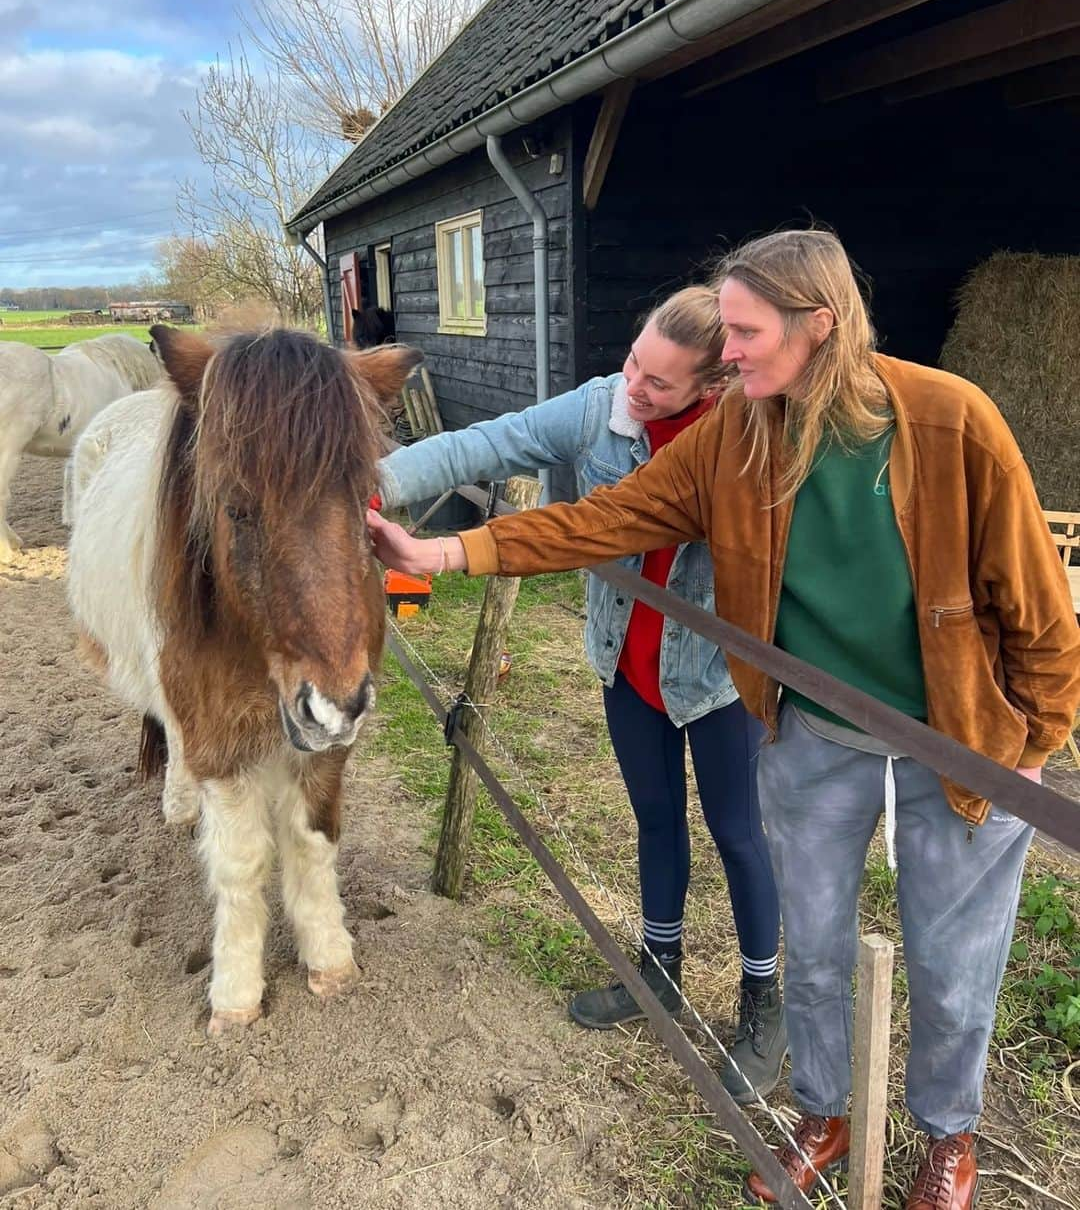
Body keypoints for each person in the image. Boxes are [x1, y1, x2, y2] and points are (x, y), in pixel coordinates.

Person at [369, 231, 1080, 1210]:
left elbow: (1040, 611)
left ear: (818, 326)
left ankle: (948, 1141)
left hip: (961, 737)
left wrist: (1033, 745)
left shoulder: (951, 421)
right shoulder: (738, 431)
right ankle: (823, 1115)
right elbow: (604, 521)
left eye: (744, 333)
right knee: (817, 949)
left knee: (952, 968)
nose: (729, 353)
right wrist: (440, 554)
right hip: (814, 734)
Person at [377, 285, 786, 1103]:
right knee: (655, 816)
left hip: (716, 675)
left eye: (659, 384)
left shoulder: (747, 438)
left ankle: (764, 1004)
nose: (634, 386)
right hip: (625, 663)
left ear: (710, 387)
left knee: (740, 834)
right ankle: (658, 974)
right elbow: (489, 444)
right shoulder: (604, 408)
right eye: (635, 361)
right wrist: (368, 481)